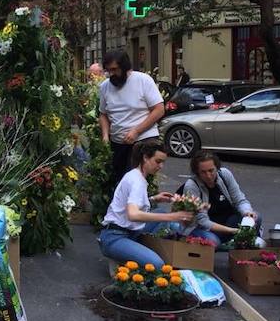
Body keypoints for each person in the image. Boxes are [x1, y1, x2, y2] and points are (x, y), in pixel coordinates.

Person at [98, 141, 194, 267]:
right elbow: (133, 214)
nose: (161, 166)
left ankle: (134, 253)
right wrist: (173, 216)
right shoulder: (136, 181)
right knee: (157, 264)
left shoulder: (135, 175)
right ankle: (123, 259)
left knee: (161, 214)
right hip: (114, 238)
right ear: (145, 157)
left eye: (163, 162)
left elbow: (129, 204)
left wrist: (154, 199)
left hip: (126, 231)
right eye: (158, 161)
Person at [99, 50, 165, 186]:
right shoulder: (105, 86)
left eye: (114, 69)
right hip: (118, 142)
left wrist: (136, 131)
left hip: (142, 140)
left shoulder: (143, 80)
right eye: (108, 70)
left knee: (133, 181)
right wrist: (105, 135)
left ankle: (136, 206)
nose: (111, 74)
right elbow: (103, 114)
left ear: (124, 66)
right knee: (120, 181)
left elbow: (159, 110)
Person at [179, 151, 260, 245]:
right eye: (203, 172)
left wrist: (247, 212)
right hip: (204, 227)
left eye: (211, 170)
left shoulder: (225, 174)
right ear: (197, 172)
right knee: (213, 241)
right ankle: (230, 241)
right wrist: (231, 231)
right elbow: (202, 221)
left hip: (227, 221)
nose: (208, 176)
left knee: (256, 217)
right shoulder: (192, 186)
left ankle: (234, 241)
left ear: (217, 168)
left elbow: (239, 200)